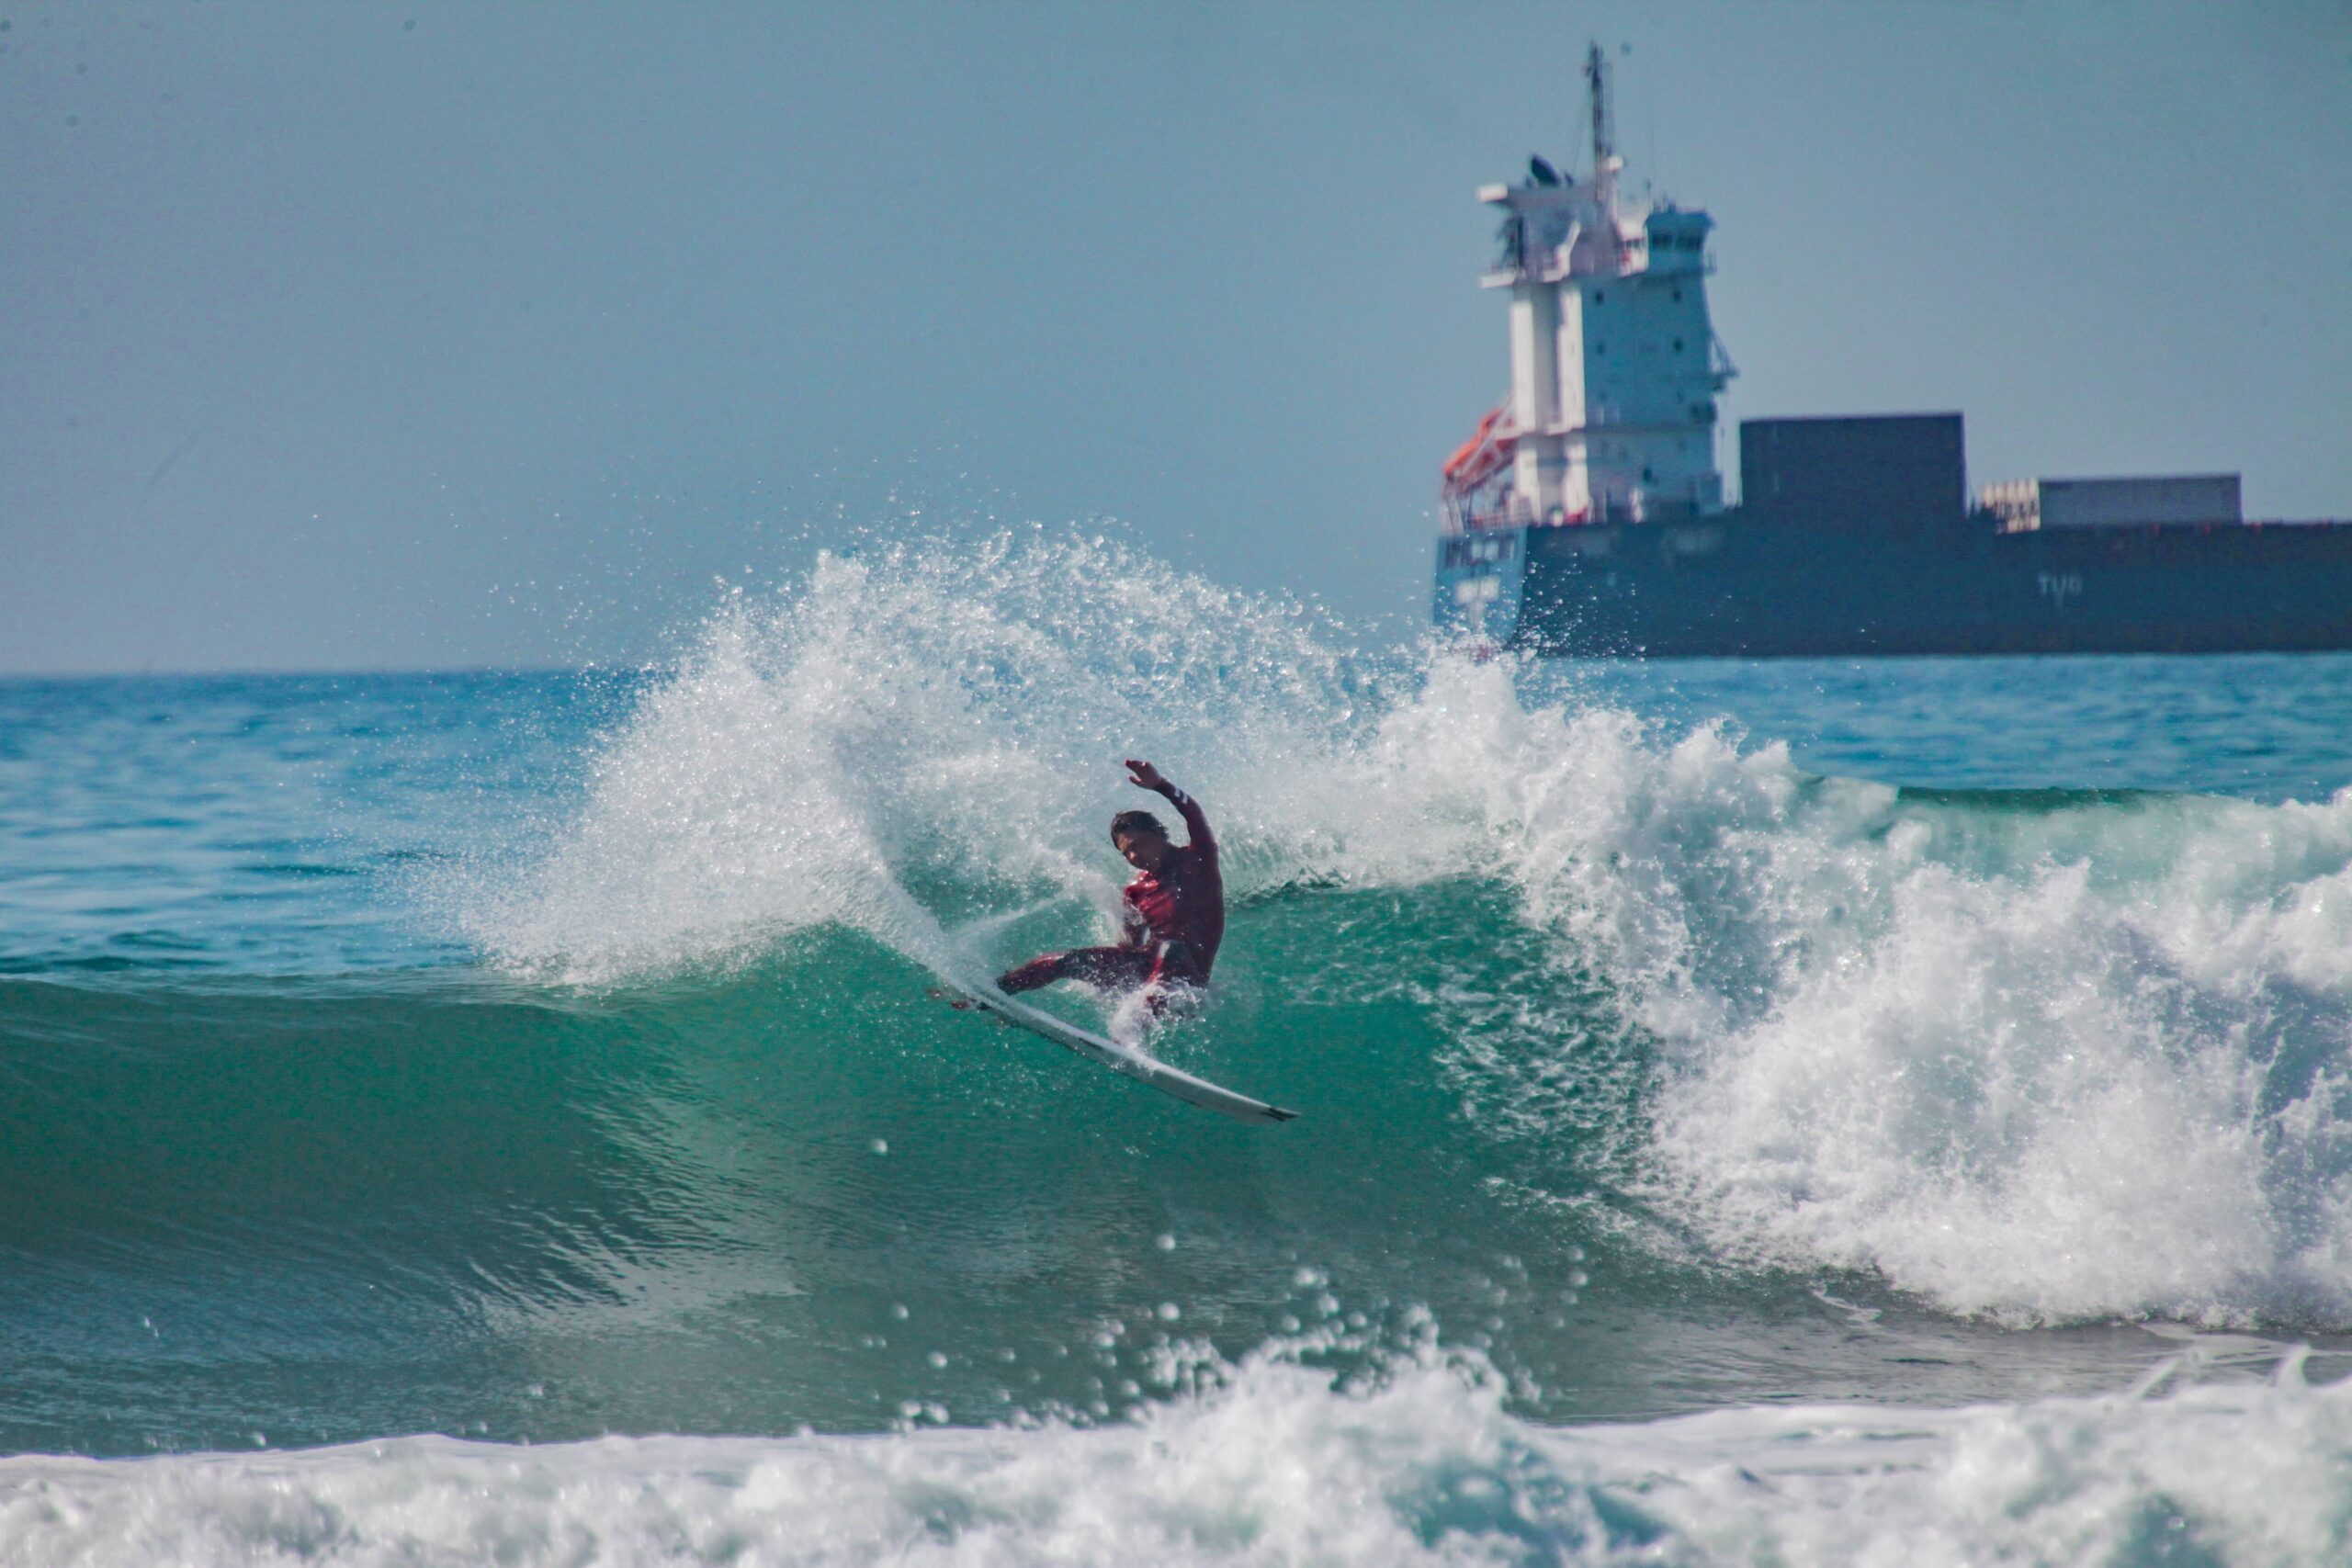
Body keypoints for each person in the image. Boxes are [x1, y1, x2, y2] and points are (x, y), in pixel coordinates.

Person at [995, 759, 1225, 1004]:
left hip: (1186, 983)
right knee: (1064, 962)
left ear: (1158, 833)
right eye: (1126, 853)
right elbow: (1129, 947)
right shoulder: (1136, 892)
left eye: (1137, 845)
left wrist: (1160, 785)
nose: (1134, 857)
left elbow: (1194, 814)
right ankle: (996, 992)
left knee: (1172, 949)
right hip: (1148, 974)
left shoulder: (1197, 860)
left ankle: (1127, 1033)